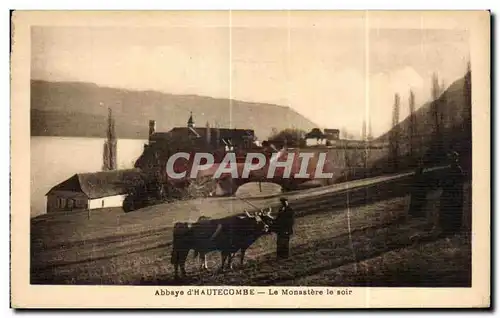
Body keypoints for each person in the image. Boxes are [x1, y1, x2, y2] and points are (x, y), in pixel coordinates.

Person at [438, 151, 465, 235]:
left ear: (456, 160)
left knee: (454, 210)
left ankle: (454, 228)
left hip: (454, 193)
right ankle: (448, 227)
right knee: (448, 210)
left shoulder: (458, 170)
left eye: (453, 159)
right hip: (450, 193)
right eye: (451, 159)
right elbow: (445, 181)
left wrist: (448, 185)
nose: (452, 161)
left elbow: (458, 183)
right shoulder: (450, 170)